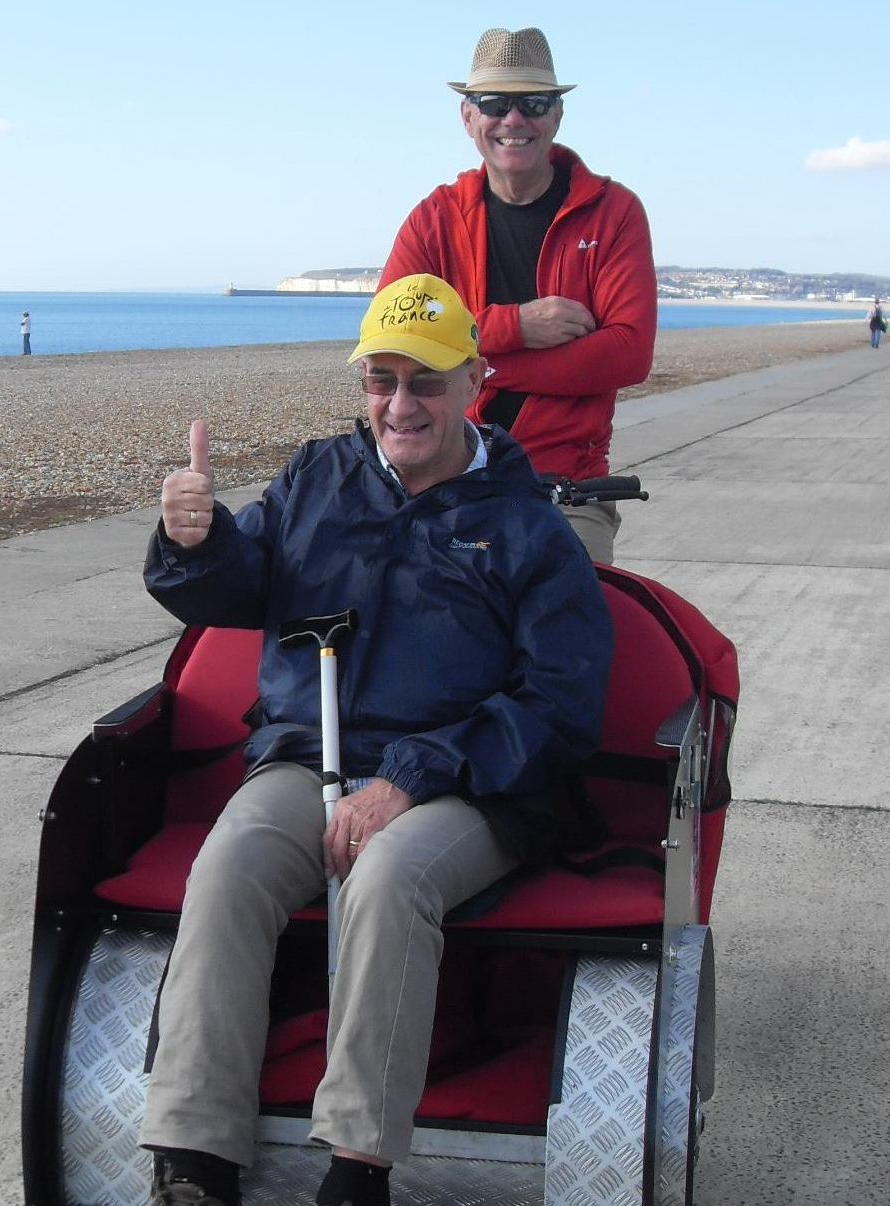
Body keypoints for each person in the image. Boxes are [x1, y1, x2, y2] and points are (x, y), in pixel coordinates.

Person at [138, 273, 613, 1206]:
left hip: (470, 783)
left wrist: (408, 777)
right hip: (307, 754)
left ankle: (356, 1168)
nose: (400, 405)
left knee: (389, 878)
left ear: (474, 378)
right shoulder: (317, 476)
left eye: (426, 381)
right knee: (229, 864)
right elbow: (235, 588)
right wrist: (194, 544)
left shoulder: (527, 528)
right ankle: (193, 1158)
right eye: (380, 379)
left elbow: (559, 705)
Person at [379, 27, 658, 565]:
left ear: (556, 114)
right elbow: (392, 340)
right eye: (495, 103)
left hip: (566, 486)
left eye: (532, 102)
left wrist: (484, 368)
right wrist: (514, 328)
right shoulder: (435, 218)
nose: (513, 119)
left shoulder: (614, 211)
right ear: (468, 116)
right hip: (441, 477)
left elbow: (628, 352)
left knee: (577, 625)